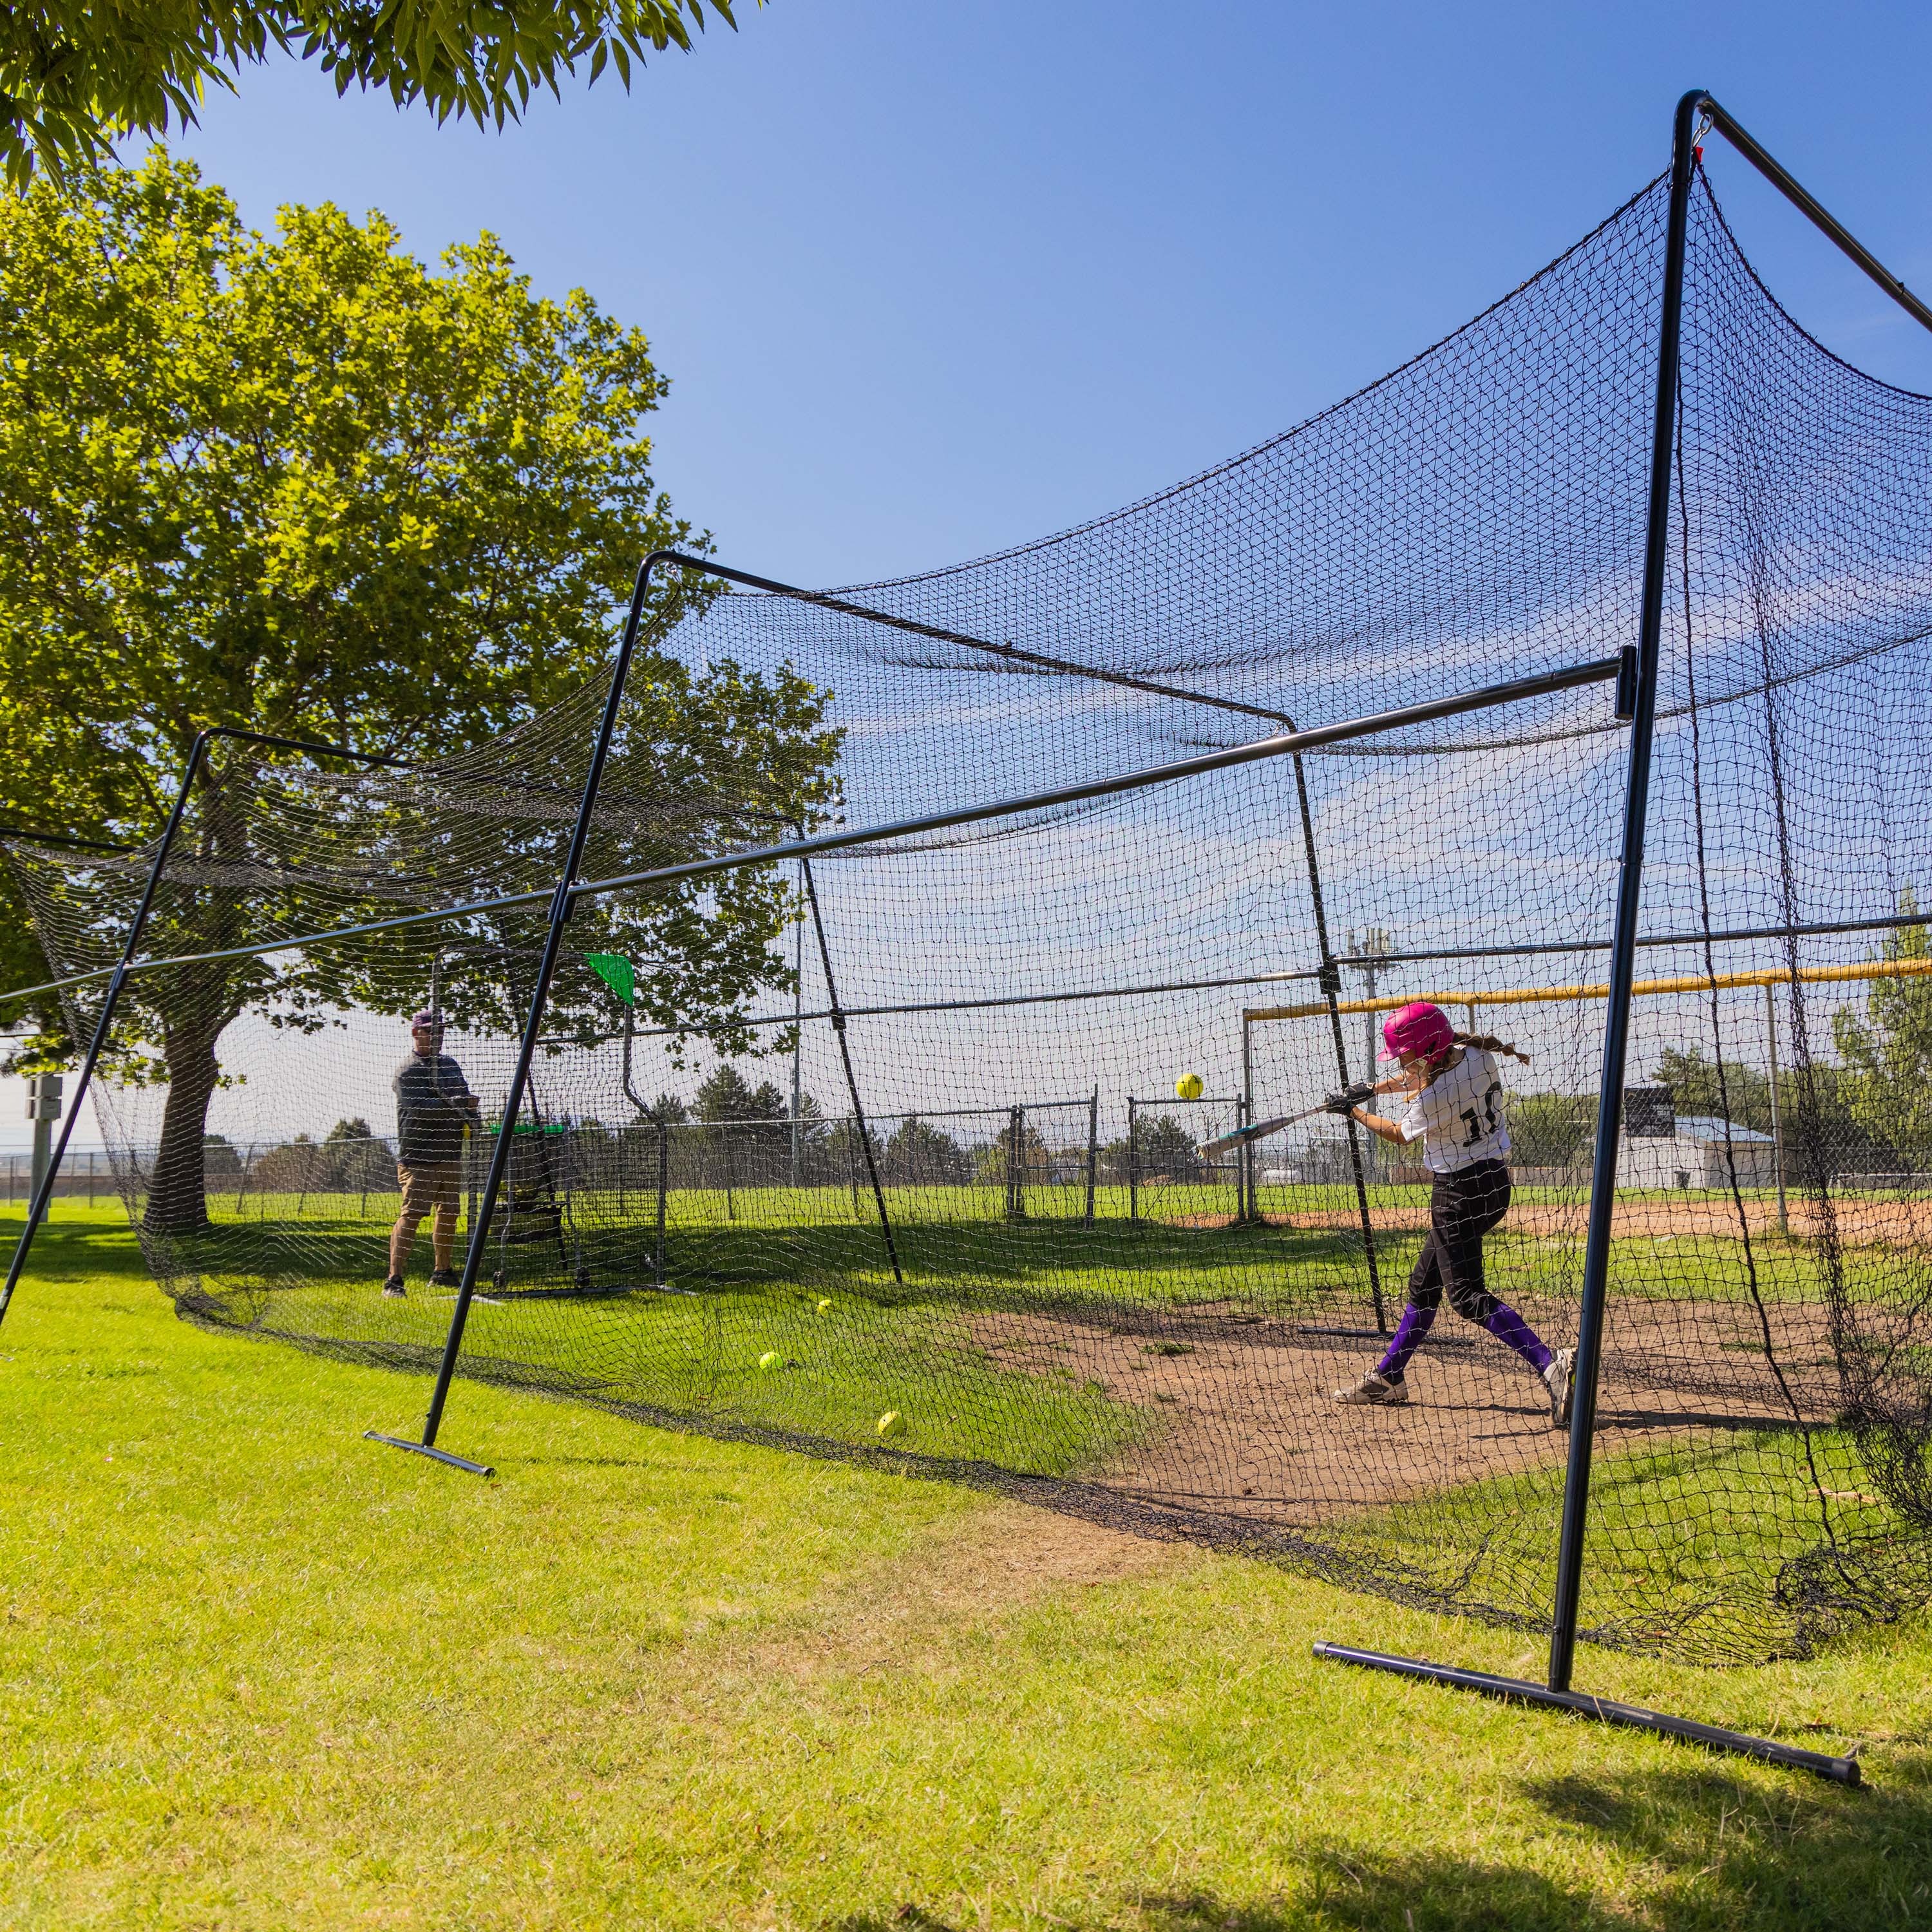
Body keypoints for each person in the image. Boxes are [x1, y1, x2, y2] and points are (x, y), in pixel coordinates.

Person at [1331, 1000, 1574, 1428]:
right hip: (1495, 1185)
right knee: (1425, 1284)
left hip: (1458, 1194)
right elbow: (1418, 1076)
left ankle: (1551, 1365)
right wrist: (1371, 1089)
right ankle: (1389, 1377)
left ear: (1427, 1051)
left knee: (1464, 1296)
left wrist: (1353, 1112)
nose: (1403, 1065)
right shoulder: (1475, 1056)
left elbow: (1399, 1134)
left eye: (1406, 1056)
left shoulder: (1435, 1095)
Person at [384, 1010, 480, 1297]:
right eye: (430, 1032)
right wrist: (456, 1103)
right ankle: (394, 1280)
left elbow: (465, 1099)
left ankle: (442, 1272)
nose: (436, 1037)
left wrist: (472, 1115)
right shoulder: (407, 1070)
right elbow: (421, 1110)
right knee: (412, 1215)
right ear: (416, 1033)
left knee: (450, 1212)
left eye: (440, 1032)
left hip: (450, 1152)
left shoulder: (450, 1066)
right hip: (418, 1156)